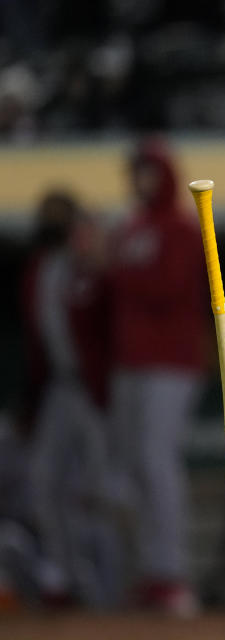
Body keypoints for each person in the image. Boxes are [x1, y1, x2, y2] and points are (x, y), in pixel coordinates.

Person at [107, 138, 209, 615]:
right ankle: (149, 572)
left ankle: (172, 574)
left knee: (155, 461)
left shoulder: (181, 227)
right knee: (132, 470)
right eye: (136, 171)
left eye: (147, 170)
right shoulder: (131, 226)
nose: (139, 179)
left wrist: (115, 269)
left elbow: (169, 287)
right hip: (132, 363)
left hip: (172, 361)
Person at [18, 190, 117, 607]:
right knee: (42, 480)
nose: (53, 224)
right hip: (58, 388)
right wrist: (30, 400)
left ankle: (117, 586)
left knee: (105, 488)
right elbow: (36, 342)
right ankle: (64, 575)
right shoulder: (39, 268)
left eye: (60, 216)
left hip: (98, 390)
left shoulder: (93, 263)